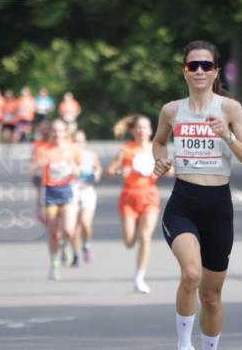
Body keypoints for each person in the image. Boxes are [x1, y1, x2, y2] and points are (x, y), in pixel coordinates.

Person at [152, 40, 242, 350]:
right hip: (183, 203)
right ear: (184, 70)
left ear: (216, 71)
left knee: (212, 297)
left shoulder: (229, 109)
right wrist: (161, 161)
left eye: (205, 65)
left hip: (219, 207)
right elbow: (158, 143)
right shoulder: (171, 110)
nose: (199, 71)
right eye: (192, 65)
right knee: (191, 275)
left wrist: (226, 135)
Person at [106, 114, 164, 293]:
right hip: (129, 197)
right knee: (130, 242)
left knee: (145, 237)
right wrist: (119, 173)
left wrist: (166, 168)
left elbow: (170, 170)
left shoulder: (156, 148)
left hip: (149, 197)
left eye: (145, 127)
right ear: (133, 130)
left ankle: (139, 277)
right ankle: (134, 235)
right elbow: (109, 171)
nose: (141, 130)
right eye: (138, 127)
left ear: (151, 130)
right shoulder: (126, 150)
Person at [35, 119, 81, 280]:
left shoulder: (72, 148)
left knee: (69, 229)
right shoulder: (42, 149)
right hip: (50, 192)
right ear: (50, 132)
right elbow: (31, 171)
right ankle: (54, 263)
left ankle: (65, 246)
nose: (57, 134)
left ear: (65, 132)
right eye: (54, 130)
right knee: (53, 233)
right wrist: (39, 165)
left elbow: (79, 168)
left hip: (67, 190)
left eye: (60, 131)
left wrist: (74, 169)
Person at [71, 130, 102, 265]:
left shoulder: (90, 155)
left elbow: (98, 168)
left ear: (84, 142)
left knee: (85, 223)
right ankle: (76, 254)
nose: (78, 144)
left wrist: (96, 173)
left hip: (87, 190)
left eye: (81, 141)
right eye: (75, 141)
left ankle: (87, 245)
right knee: (73, 227)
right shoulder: (67, 156)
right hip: (71, 190)